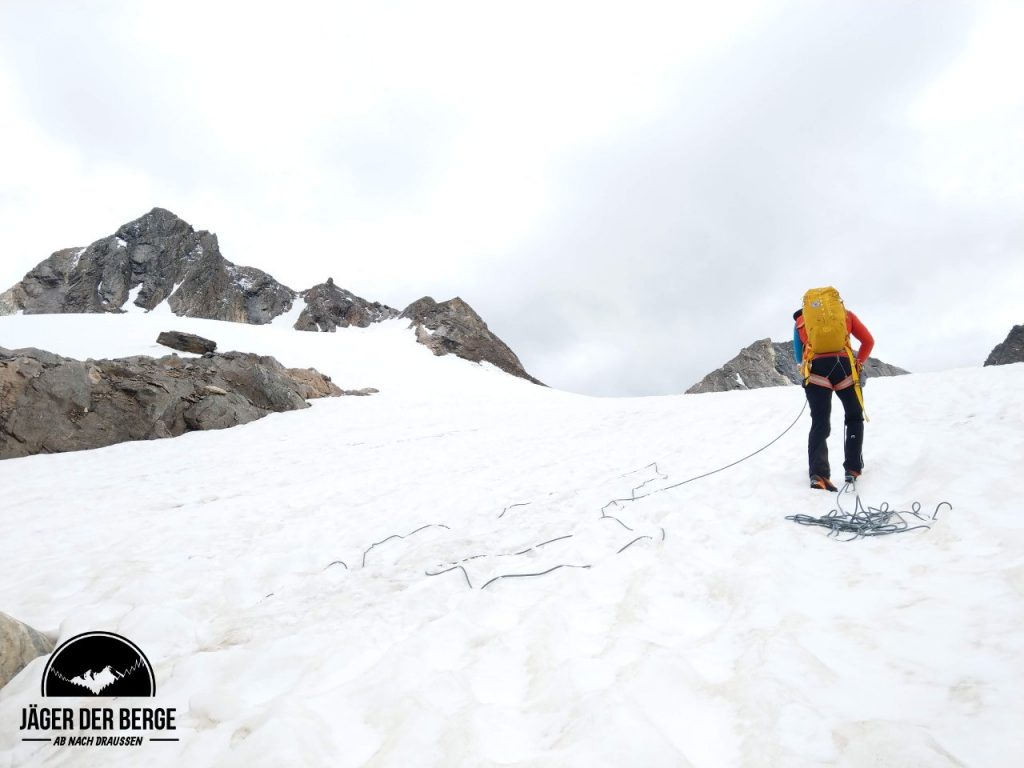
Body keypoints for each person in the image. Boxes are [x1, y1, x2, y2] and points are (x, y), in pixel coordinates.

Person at [793, 300, 874, 491]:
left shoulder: (801, 320)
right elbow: (868, 341)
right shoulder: (846, 315)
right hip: (844, 367)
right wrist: (858, 363)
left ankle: (819, 475)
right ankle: (852, 470)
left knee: (819, 422)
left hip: (816, 371)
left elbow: (798, 355)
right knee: (854, 417)